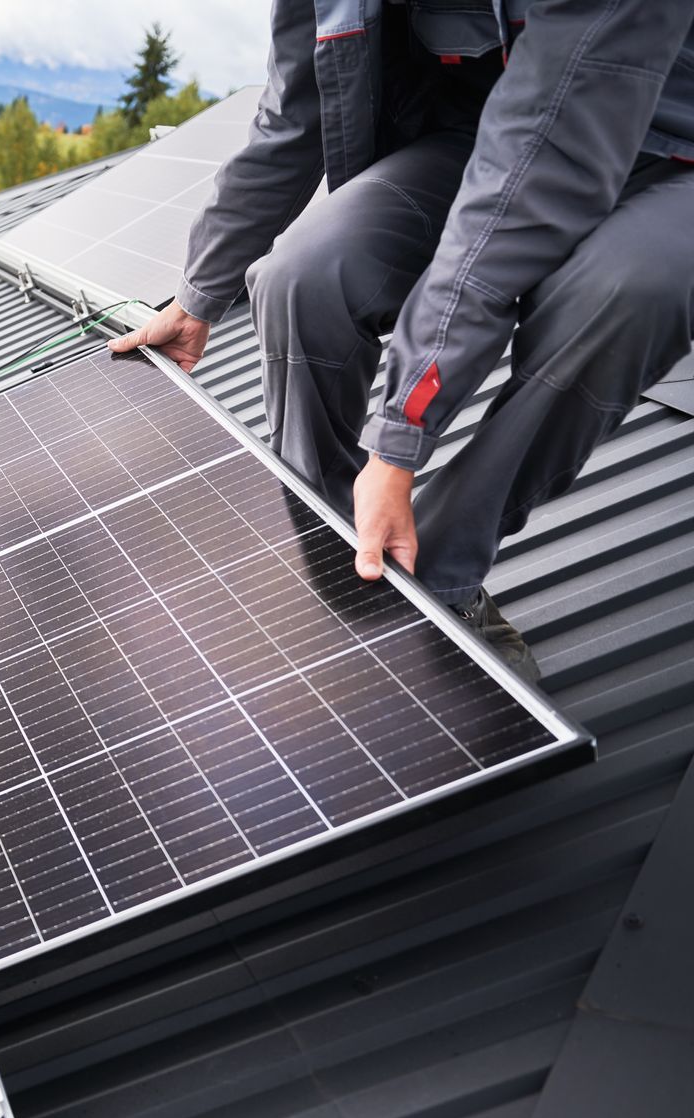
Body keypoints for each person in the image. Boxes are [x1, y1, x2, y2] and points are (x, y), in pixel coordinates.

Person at [112, 0, 694, 681]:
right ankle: (342, 560)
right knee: (302, 274)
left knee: (616, 297)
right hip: (482, 138)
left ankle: (438, 583)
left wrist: (397, 439)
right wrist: (201, 292)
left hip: (667, 151)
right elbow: (298, 107)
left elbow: (540, 170)